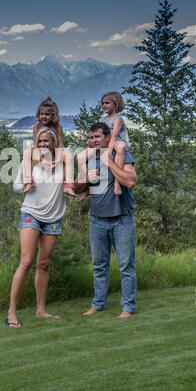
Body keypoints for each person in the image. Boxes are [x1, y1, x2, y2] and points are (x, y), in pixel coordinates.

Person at [5, 127, 66, 328]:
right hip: (31, 213)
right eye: (40, 142)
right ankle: (11, 312)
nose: (42, 145)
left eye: (46, 141)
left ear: (54, 142)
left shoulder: (62, 161)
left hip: (53, 217)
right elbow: (15, 185)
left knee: (44, 264)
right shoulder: (29, 161)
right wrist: (25, 184)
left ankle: (41, 310)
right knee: (26, 260)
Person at [75, 122, 137, 318]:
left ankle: (127, 307)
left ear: (107, 138)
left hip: (122, 218)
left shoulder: (121, 154)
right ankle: (98, 304)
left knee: (126, 266)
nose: (93, 140)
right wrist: (86, 179)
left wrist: (109, 162)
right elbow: (78, 190)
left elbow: (131, 181)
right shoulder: (88, 158)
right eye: (91, 137)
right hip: (97, 219)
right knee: (99, 266)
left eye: (97, 137)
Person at [77, 91, 130, 201]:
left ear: (115, 104)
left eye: (107, 103)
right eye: (102, 103)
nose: (104, 105)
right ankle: (87, 188)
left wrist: (108, 153)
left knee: (121, 148)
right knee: (80, 157)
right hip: (105, 142)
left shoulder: (118, 119)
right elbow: (98, 135)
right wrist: (91, 143)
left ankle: (117, 183)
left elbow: (114, 136)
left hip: (117, 141)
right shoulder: (102, 120)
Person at [23, 97, 75, 196]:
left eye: (47, 114)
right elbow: (36, 145)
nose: (44, 116)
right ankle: (29, 181)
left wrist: (58, 159)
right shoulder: (36, 127)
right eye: (42, 114)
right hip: (40, 149)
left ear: (53, 115)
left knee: (68, 156)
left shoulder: (58, 127)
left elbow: (59, 144)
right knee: (26, 153)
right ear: (38, 114)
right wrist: (42, 159)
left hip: (57, 149)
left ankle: (68, 185)